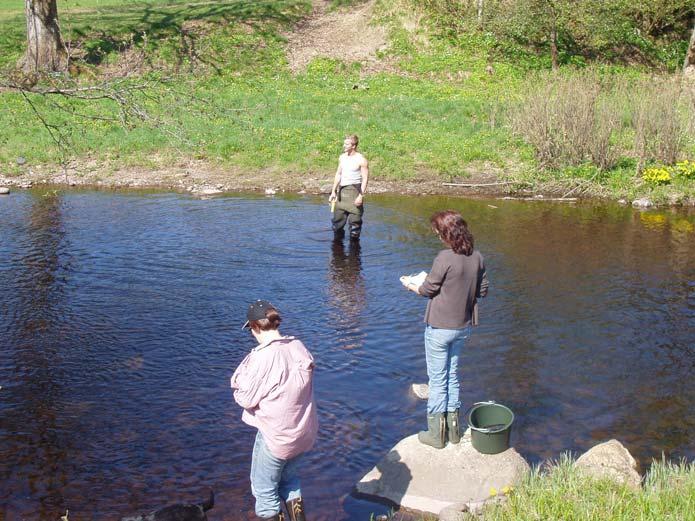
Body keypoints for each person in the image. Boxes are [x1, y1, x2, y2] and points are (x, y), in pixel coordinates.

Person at [402, 211, 489, 449]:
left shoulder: (444, 257)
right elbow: (483, 290)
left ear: (447, 234)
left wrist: (411, 285)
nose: (438, 237)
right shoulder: (477, 257)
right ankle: (453, 432)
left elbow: (429, 289)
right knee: (452, 376)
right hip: (463, 327)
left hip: (439, 327)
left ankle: (436, 435)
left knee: (438, 380)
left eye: (439, 233)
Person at [230, 300, 318, 521]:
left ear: (255, 327)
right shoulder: (297, 345)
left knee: (265, 493)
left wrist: (241, 374)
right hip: (304, 433)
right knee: (290, 481)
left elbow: (244, 399)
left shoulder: (262, 356)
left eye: (250, 329)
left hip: (276, 437)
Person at [328, 134, 369, 241]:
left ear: (353, 146)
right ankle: (337, 254)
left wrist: (361, 196)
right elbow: (338, 174)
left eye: (346, 144)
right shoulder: (342, 157)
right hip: (342, 194)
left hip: (354, 193)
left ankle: (355, 255)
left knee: (355, 228)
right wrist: (333, 192)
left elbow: (365, 179)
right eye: (344, 143)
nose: (344, 145)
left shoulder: (361, 160)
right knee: (337, 226)